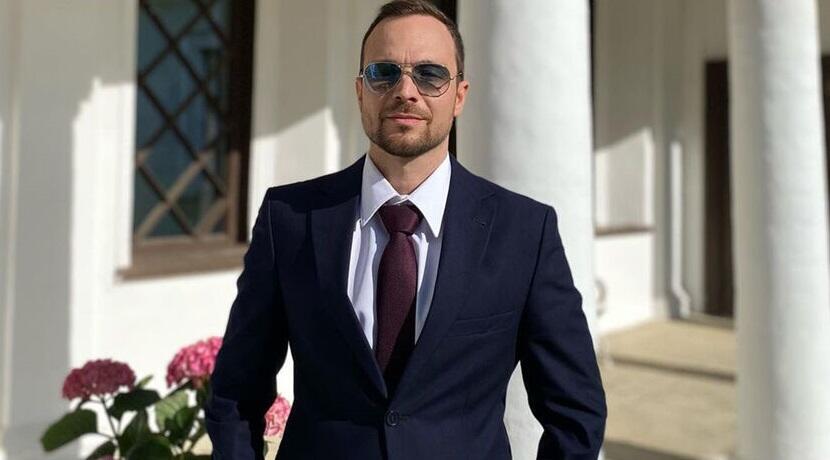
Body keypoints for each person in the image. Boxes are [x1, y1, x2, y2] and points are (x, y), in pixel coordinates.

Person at [205, 0, 606, 458]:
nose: (406, 91)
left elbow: (576, 412)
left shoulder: (524, 232)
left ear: (459, 96)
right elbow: (236, 392)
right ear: (360, 91)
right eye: (384, 73)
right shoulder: (290, 219)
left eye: (430, 75)